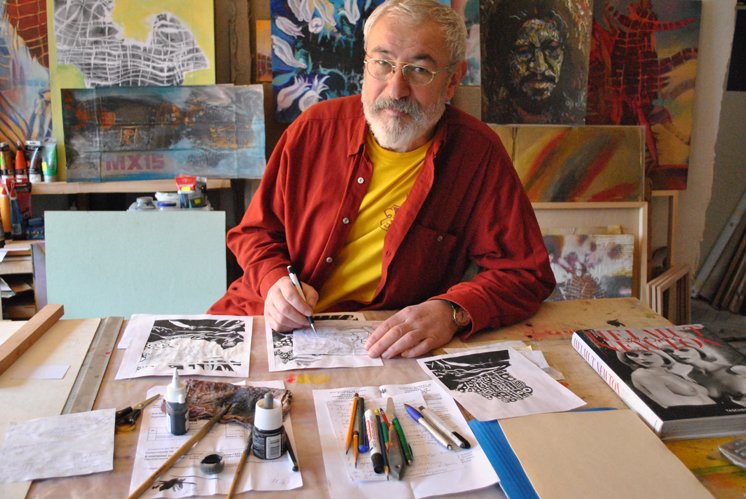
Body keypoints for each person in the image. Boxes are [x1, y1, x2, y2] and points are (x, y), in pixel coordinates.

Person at [208, 0, 555, 358]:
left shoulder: (477, 154)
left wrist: (452, 312)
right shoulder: (313, 129)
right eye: (383, 63)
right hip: (265, 322)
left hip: (380, 348)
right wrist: (274, 282)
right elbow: (255, 232)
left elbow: (525, 273)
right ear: (365, 65)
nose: (395, 90)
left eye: (419, 70)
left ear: (452, 80)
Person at [481, 0, 585, 124]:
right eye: (524, 52)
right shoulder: (494, 118)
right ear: (504, 58)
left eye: (551, 50)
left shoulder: (573, 117)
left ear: (566, 55)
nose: (539, 67)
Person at [617, 350, 715, 408]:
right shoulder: (642, 374)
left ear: (662, 356)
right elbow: (674, 405)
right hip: (693, 420)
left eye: (647, 353)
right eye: (633, 355)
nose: (641, 358)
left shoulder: (672, 373)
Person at [660, 345, 746, 407]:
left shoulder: (738, 370)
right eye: (671, 354)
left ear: (698, 350)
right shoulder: (690, 378)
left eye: (684, 350)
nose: (677, 354)